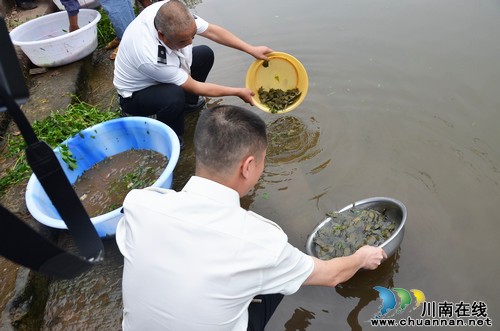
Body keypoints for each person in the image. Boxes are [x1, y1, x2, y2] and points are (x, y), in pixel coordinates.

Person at [115, 105, 387, 331]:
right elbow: (331, 275)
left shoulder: (140, 202)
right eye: (263, 160)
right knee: (281, 278)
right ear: (247, 167)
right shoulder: (262, 241)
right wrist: (363, 257)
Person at [113, 0, 272, 147]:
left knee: (204, 53)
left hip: (164, 73)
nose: (190, 43)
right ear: (161, 35)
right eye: (182, 41)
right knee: (173, 96)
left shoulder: (172, 13)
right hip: (136, 95)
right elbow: (195, 87)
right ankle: (172, 139)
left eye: (193, 36)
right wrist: (238, 91)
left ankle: (188, 105)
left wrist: (251, 49)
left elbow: (213, 32)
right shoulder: (150, 56)